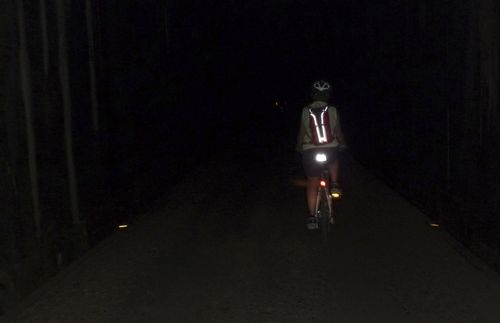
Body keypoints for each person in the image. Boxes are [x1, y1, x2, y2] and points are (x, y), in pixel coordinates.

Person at [296, 80, 347, 230]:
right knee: (334, 159)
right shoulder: (332, 110)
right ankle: (335, 184)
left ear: (313, 94)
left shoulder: (305, 110)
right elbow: (337, 131)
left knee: (312, 181)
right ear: (327, 95)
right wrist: (343, 143)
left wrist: (299, 147)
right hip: (330, 148)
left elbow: (302, 132)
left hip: (310, 150)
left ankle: (312, 217)